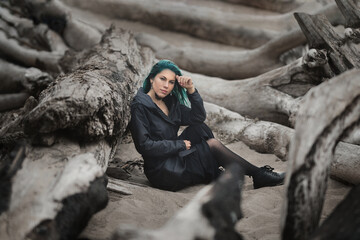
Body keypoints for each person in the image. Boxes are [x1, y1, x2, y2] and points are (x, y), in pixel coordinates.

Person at [130, 60, 285, 191]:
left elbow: (197, 117)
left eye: (171, 82)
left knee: (200, 128)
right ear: (151, 79)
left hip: (174, 156)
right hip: (163, 171)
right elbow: (144, 146)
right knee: (212, 145)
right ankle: (258, 175)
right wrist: (178, 145)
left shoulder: (170, 102)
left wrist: (191, 91)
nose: (166, 85)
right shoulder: (140, 106)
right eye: (162, 79)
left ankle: (214, 172)